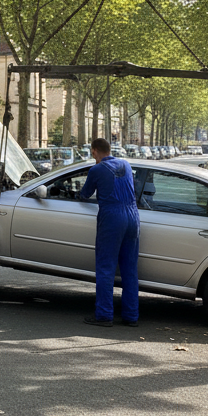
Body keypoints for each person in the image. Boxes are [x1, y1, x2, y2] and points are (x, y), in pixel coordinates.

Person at [78, 137, 140, 327]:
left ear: (95, 151)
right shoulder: (125, 164)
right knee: (130, 269)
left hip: (112, 217)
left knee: (106, 268)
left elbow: (85, 193)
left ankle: (104, 315)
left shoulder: (96, 169)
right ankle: (131, 316)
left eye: (92, 153)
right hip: (133, 216)